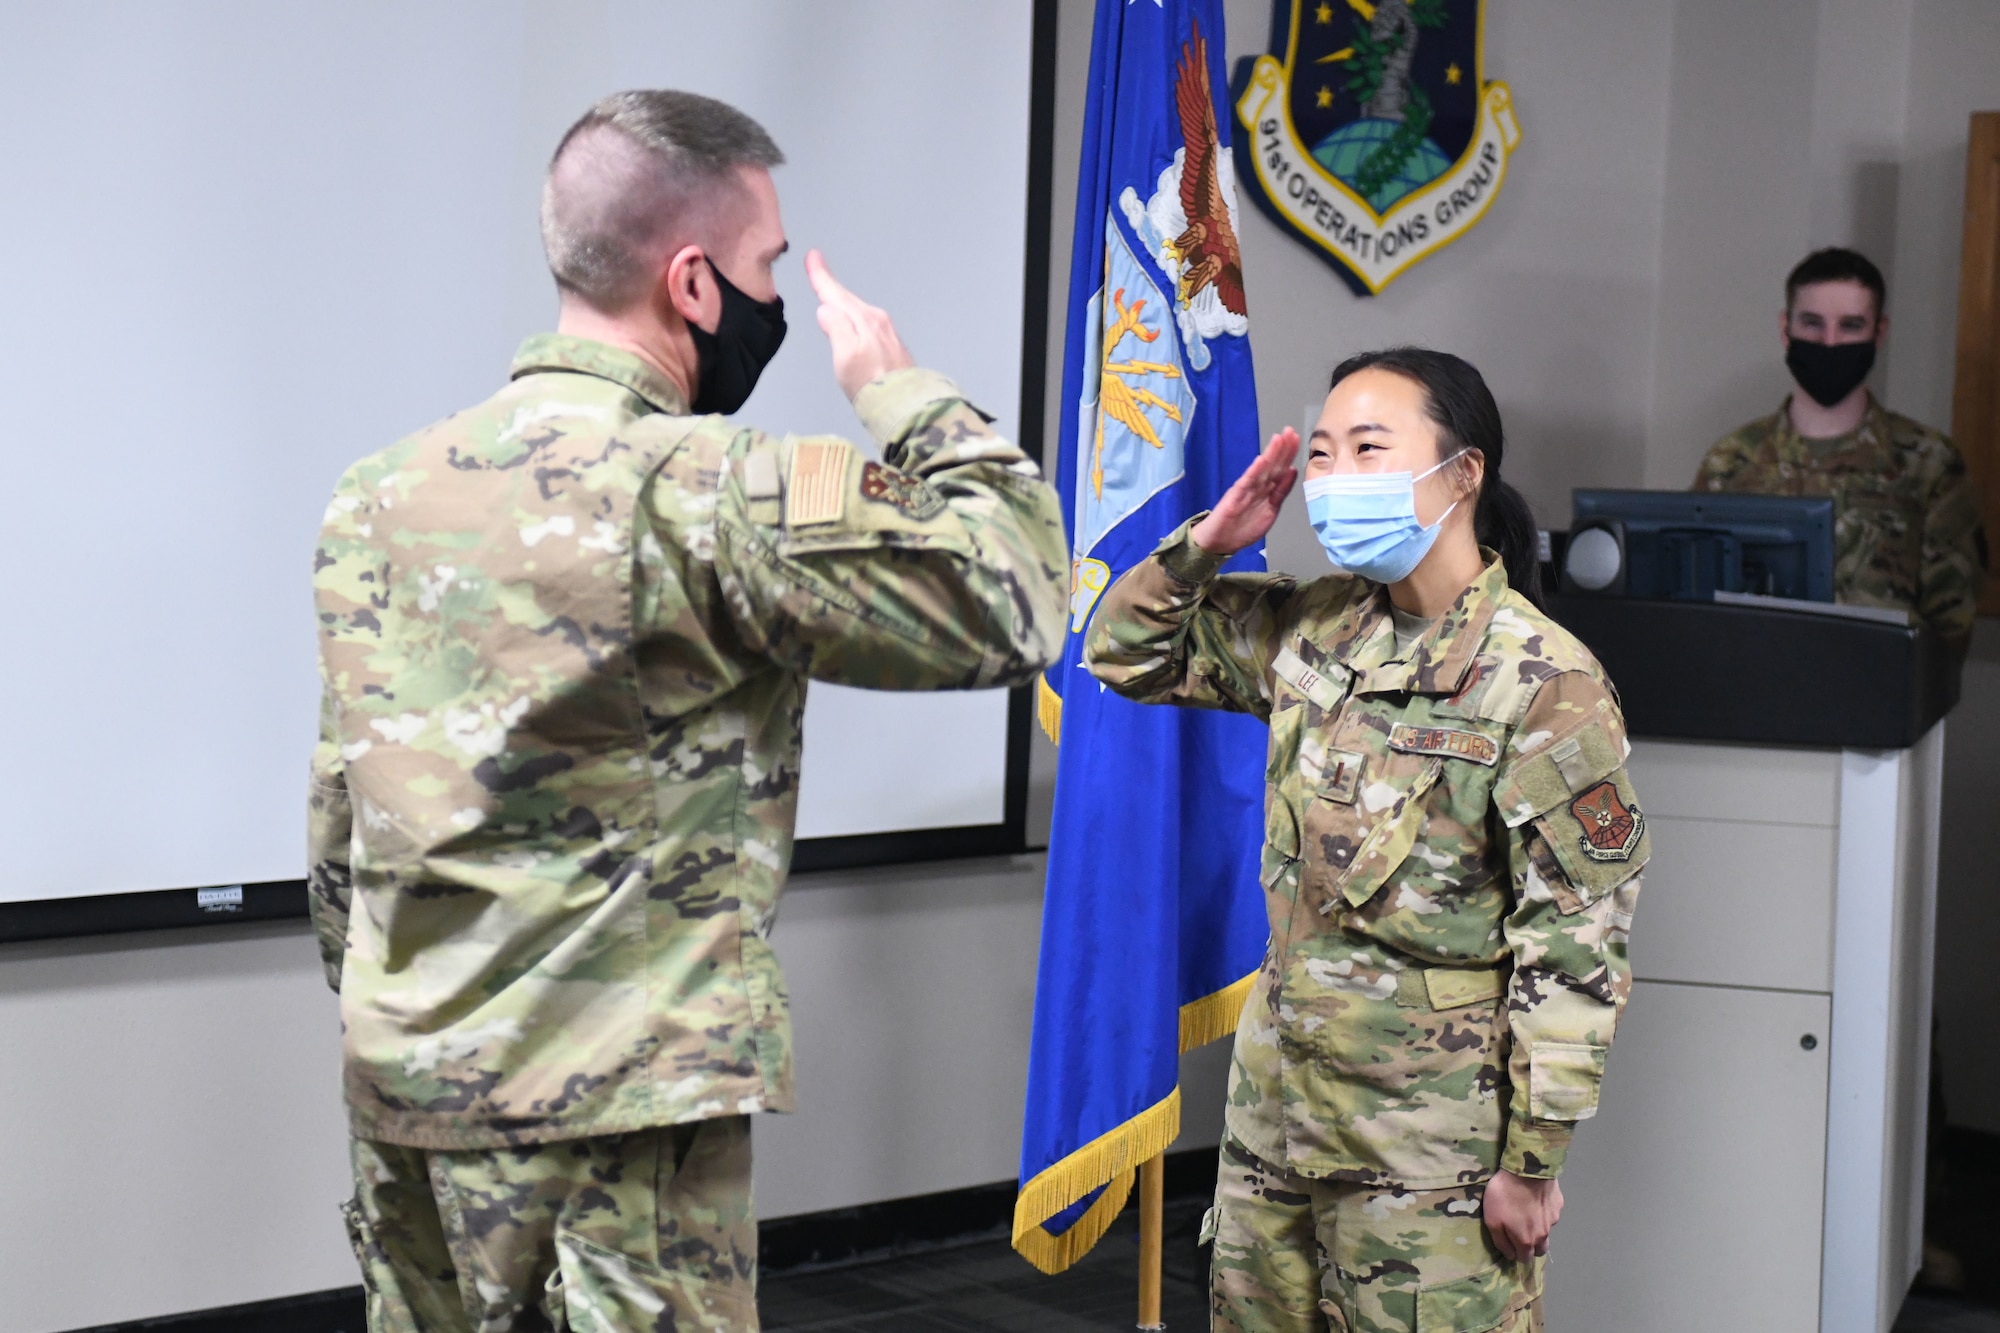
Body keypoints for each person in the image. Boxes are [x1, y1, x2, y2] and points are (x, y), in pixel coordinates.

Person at [307, 89, 1066, 1332]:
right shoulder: (712, 485)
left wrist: (398, 1011)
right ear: (693, 283)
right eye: (767, 262)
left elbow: (343, 807)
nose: (773, 291)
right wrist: (902, 393)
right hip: (619, 1112)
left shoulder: (378, 492)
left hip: (405, 1090)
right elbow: (1018, 599)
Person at [1087, 348, 1645, 1332]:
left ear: (1462, 472)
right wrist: (1209, 544)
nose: (1337, 475)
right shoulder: (1314, 626)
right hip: (1274, 1124)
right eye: (1327, 454)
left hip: (1427, 1153)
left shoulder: (1543, 682)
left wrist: (1532, 1162)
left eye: (1370, 447)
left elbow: (1573, 953)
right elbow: (1121, 653)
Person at [1693, 246, 1986, 647]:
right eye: (1812, 324)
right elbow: (1694, 603)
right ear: (1786, 328)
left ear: (1878, 332)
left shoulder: (1929, 464)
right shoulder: (1732, 460)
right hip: (1753, 692)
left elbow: (1949, 630)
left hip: (1881, 697)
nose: (1830, 342)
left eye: (1850, 326)